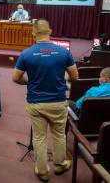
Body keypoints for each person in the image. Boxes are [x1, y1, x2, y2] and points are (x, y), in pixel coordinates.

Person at [12, 19, 79, 181]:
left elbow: (16, 78)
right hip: (58, 102)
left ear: (33, 33)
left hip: (36, 103)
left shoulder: (26, 53)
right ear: (50, 31)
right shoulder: (64, 53)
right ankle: (59, 165)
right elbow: (75, 77)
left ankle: (42, 171)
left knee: (39, 137)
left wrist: (29, 81)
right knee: (59, 135)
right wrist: (60, 76)